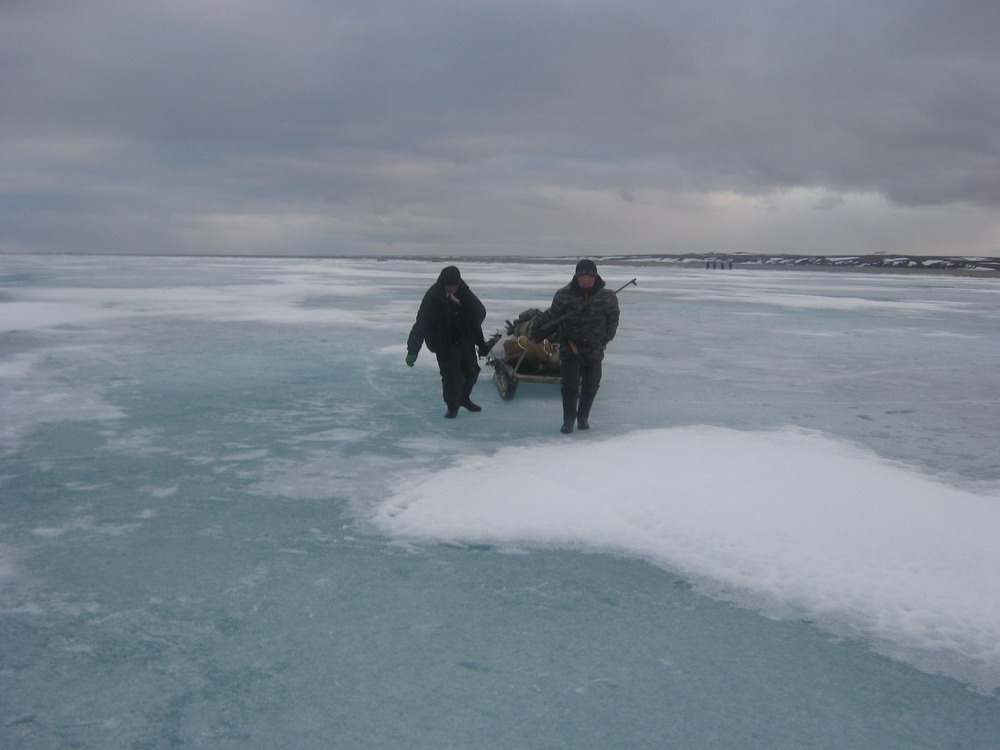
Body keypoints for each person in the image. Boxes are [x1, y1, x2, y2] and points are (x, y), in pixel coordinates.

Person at [530, 259, 620, 433]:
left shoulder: (608, 296)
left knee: (592, 384)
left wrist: (606, 338)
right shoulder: (564, 294)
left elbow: (613, 319)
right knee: (570, 385)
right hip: (570, 346)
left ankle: (583, 417)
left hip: (595, 347)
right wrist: (535, 329)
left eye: (588, 275)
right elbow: (552, 314)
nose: (584, 279)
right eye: (580, 275)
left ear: (595, 276)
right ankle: (568, 420)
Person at [405, 266, 487, 418]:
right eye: (449, 286)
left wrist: (479, 342)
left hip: (464, 338)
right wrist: (413, 350)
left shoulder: (463, 291)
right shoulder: (433, 297)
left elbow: (477, 315)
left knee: (472, 372)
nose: (452, 288)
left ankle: (464, 399)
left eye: (455, 285)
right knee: (451, 377)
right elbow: (422, 323)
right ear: (443, 283)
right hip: (445, 342)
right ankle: (452, 406)